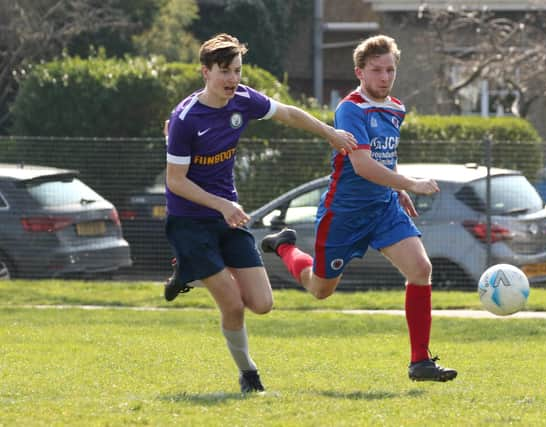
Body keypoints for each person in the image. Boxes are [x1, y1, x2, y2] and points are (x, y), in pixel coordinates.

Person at [163, 33, 357, 394]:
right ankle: (249, 373)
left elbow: (287, 113)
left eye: (236, 70)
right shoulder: (185, 119)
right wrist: (221, 203)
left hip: (227, 218)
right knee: (233, 306)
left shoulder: (243, 99)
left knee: (263, 304)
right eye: (224, 71)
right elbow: (176, 182)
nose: (232, 79)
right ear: (204, 72)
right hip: (190, 222)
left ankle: (187, 271)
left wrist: (328, 132)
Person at [261, 35, 457, 382]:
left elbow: (386, 157)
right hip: (345, 214)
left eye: (391, 70)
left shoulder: (396, 108)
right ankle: (285, 246)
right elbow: (363, 165)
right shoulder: (350, 109)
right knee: (320, 289)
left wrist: (397, 190)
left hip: (383, 209)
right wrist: (410, 184)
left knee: (420, 269)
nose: (385, 77)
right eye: (377, 70)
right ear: (360, 72)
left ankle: (420, 362)